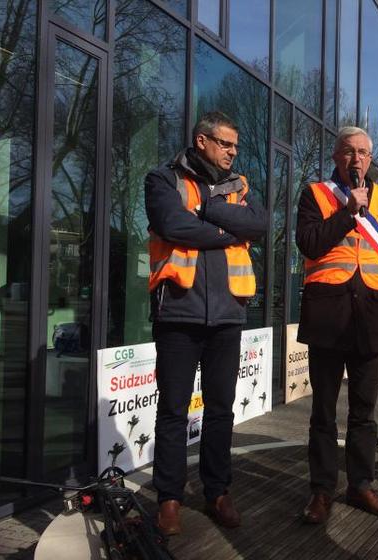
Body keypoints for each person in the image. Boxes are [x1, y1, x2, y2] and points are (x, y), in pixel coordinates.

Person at [145, 111, 267, 535]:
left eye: (235, 146)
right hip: (178, 311)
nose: (233, 152)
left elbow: (261, 223)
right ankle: (170, 499)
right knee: (173, 411)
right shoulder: (163, 179)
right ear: (202, 141)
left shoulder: (239, 186)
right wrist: (226, 231)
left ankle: (217, 492)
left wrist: (208, 213)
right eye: (226, 144)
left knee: (220, 411)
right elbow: (170, 224)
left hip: (228, 317)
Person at [295, 126, 378, 524]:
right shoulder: (316, 195)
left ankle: (361, 485)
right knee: (323, 413)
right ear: (335, 156)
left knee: (364, 413)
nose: (355, 158)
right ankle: (321, 491)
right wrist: (348, 213)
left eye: (362, 152)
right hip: (327, 317)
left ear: (370, 159)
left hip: (371, 318)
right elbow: (309, 243)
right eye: (348, 151)